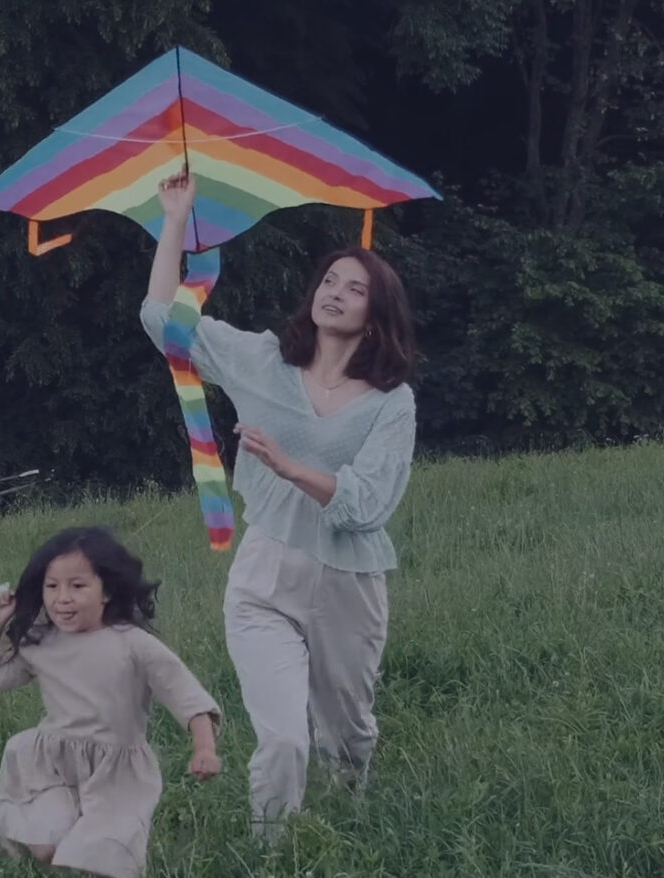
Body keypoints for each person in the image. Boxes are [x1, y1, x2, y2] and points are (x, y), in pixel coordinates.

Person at [137, 172, 420, 840]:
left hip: (347, 584)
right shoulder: (262, 361)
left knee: (348, 736)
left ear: (377, 314)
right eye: (330, 281)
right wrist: (174, 220)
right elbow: (163, 322)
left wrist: (290, 467)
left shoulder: (391, 402)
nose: (335, 293)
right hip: (264, 577)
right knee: (284, 739)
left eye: (355, 289)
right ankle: (273, 853)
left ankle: (351, 828)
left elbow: (368, 504)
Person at [0, 526, 223, 878]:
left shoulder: (134, 644)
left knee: (101, 861)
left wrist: (204, 748)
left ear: (107, 591)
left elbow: (187, 696)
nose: (62, 599)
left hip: (117, 774)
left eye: (77, 586)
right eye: (52, 586)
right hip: (52, 765)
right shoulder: (42, 643)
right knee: (48, 846)